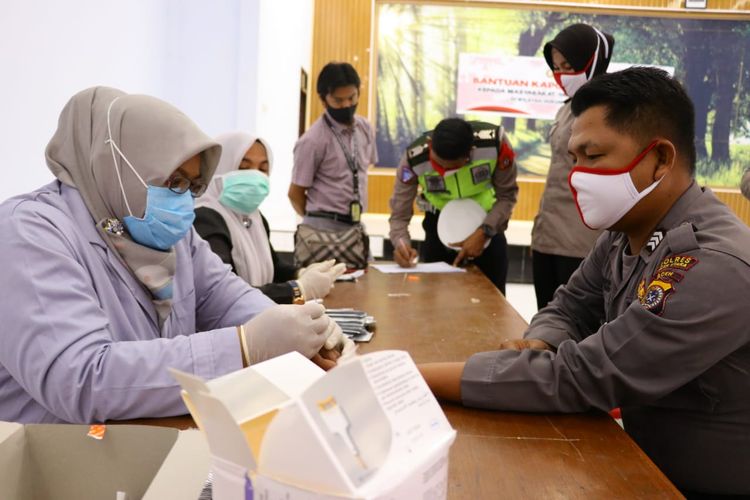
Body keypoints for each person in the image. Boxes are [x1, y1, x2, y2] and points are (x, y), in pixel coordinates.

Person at [419, 68, 750, 497]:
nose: (577, 176)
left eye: (593, 156)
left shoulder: (710, 262)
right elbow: (571, 306)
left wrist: (415, 375)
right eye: (573, 158)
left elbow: (588, 375)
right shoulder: (624, 232)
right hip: (642, 468)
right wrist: (541, 341)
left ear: (661, 160)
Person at [0, 87, 346, 424]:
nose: (184, 200)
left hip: (141, 440)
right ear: (117, 168)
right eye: (174, 181)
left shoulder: (167, 231)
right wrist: (243, 347)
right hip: (45, 460)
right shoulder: (30, 233)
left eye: (192, 185)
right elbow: (82, 379)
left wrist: (303, 333)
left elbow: (223, 297)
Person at [194, 132, 346, 304]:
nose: (255, 176)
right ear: (217, 168)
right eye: (243, 168)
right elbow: (225, 294)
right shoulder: (206, 218)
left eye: (263, 169)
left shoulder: (255, 218)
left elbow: (274, 266)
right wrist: (298, 290)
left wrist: (301, 273)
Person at [531, 23, 615, 309]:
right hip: (547, 235)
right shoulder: (567, 107)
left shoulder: (610, 109)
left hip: (580, 242)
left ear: (591, 61)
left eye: (568, 66)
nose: (562, 76)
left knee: (575, 326)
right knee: (545, 318)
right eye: (556, 68)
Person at [389, 118, 518, 294]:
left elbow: (507, 196)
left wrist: (484, 232)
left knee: (491, 304)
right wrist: (401, 244)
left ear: (469, 155)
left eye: (451, 168)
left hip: (488, 226)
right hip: (439, 230)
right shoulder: (414, 158)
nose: (442, 171)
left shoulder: (495, 144)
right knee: (435, 303)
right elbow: (399, 214)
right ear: (430, 145)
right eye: (437, 164)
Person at [288, 62, 377, 266]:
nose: (346, 105)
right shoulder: (312, 140)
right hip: (320, 233)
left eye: (351, 97)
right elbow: (295, 193)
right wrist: (319, 218)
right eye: (338, 100)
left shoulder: (365, 129)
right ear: (323, 99)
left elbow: (363, 169)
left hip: (355, 228)